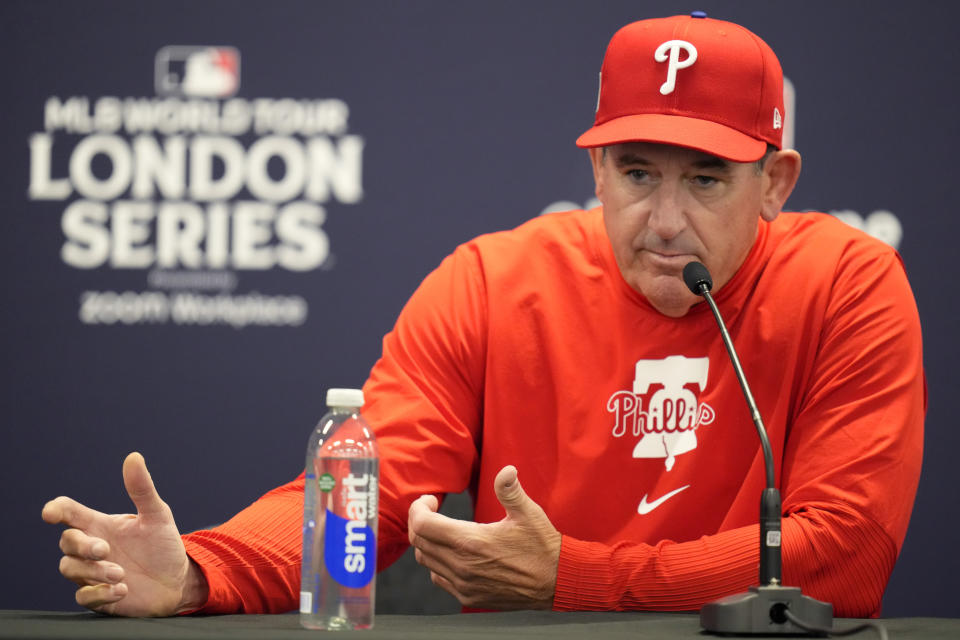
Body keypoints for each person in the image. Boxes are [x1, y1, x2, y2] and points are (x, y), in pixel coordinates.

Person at [42, 13, 924, 618]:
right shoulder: (493, 281)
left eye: (705, 179)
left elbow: (844, 554)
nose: (663, 220)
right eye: (636, 172)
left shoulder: (850, 281)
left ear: (774, 183)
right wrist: (206, 572)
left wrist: (572, 577)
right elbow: (372, 484)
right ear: (595, 171)